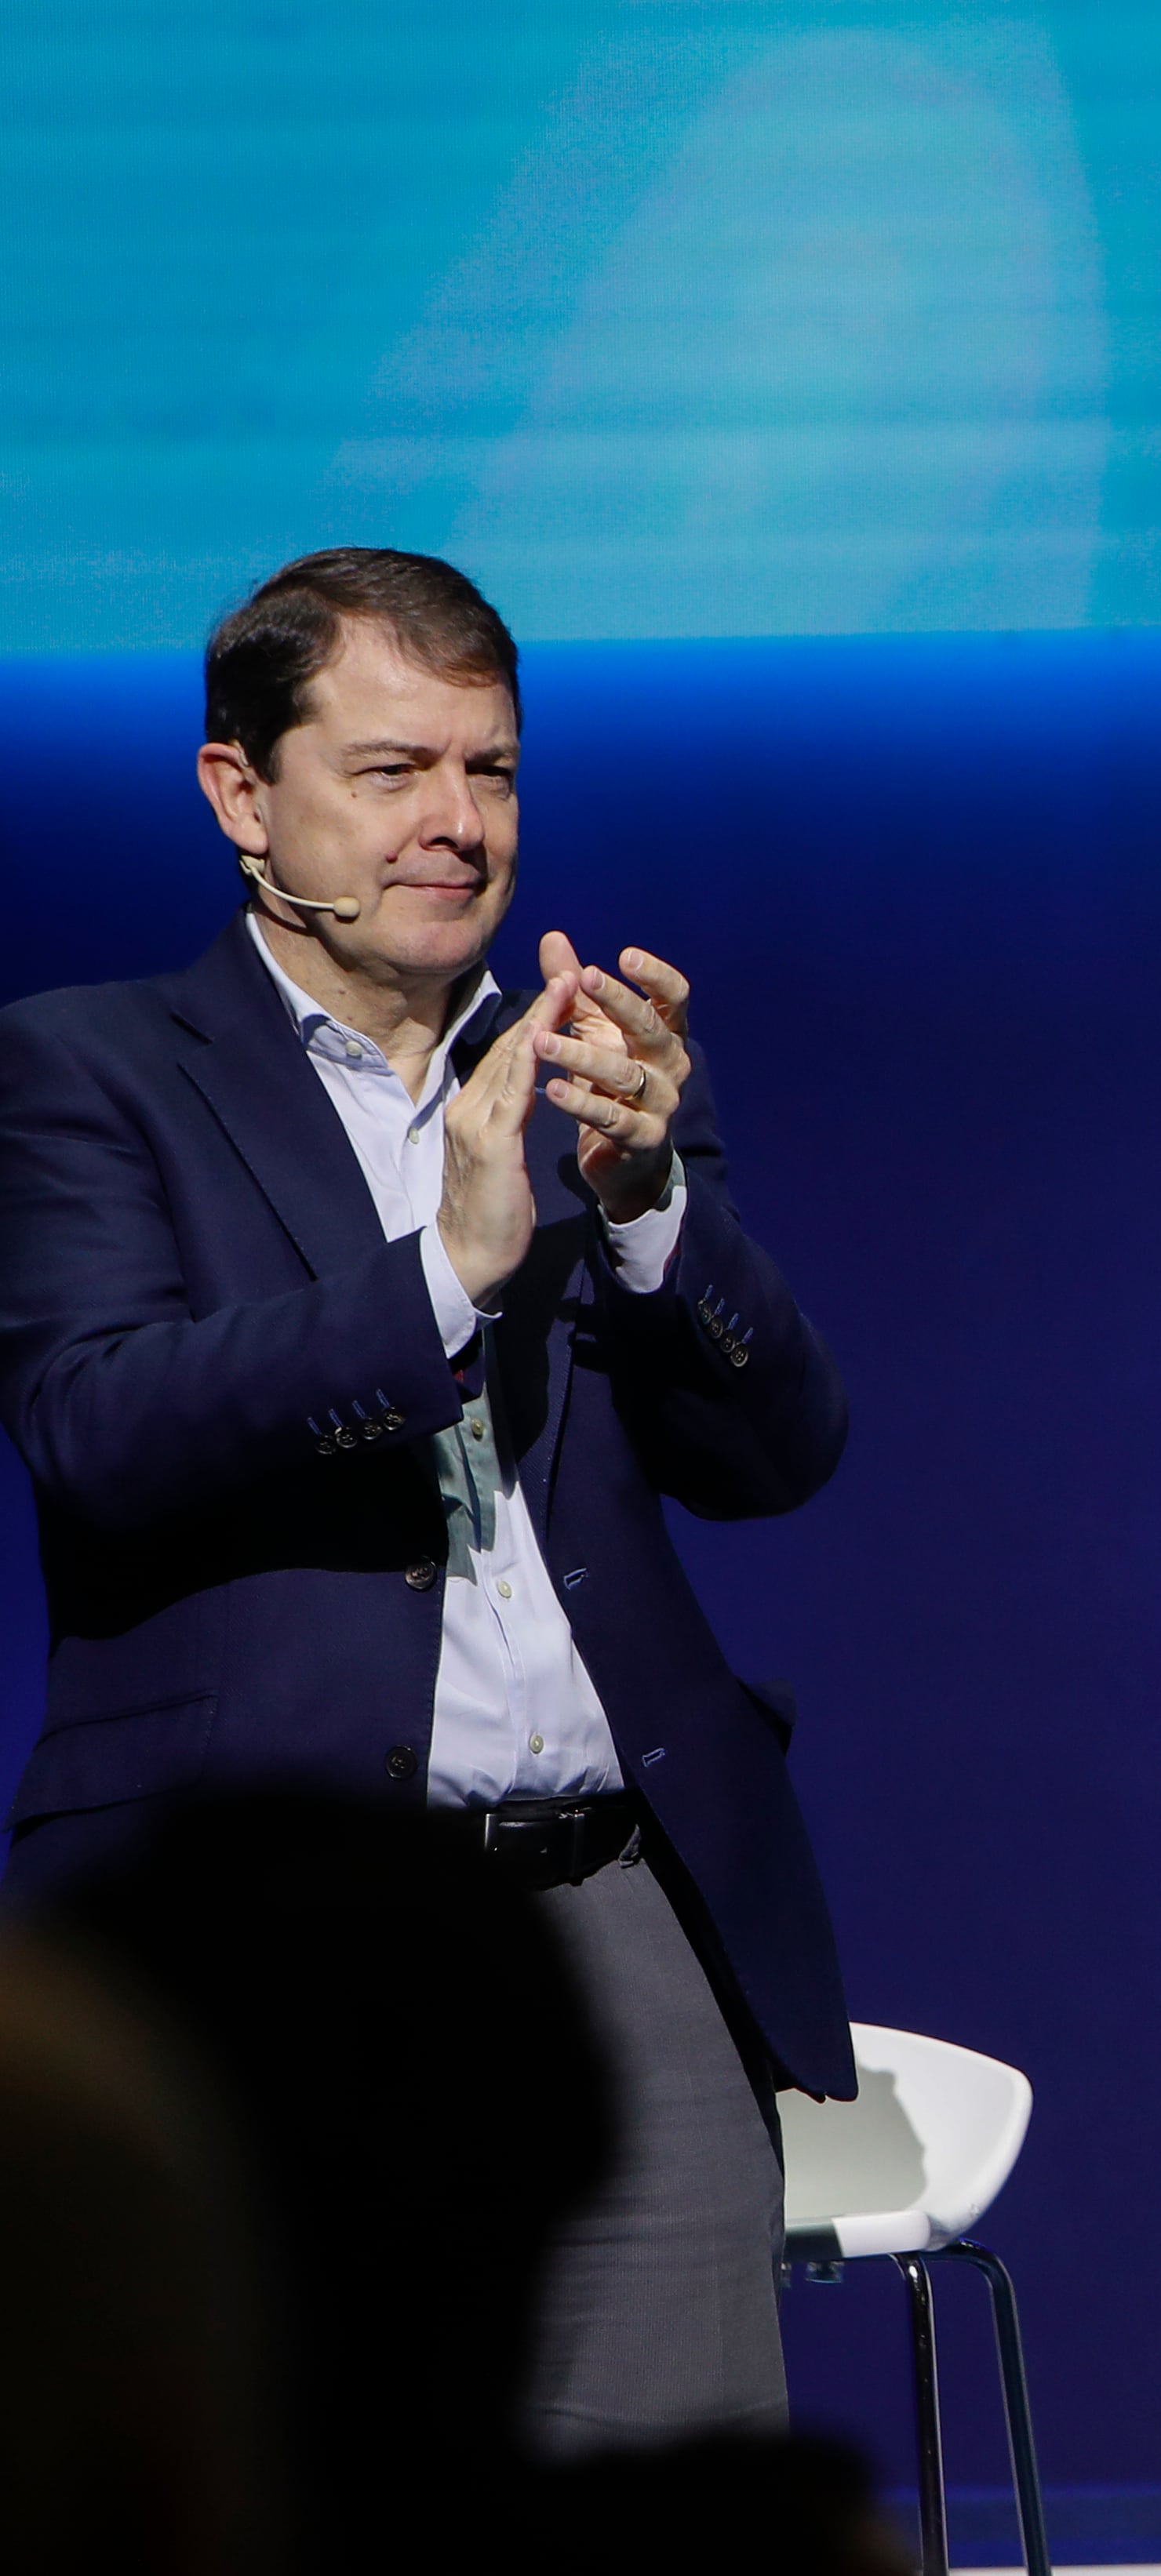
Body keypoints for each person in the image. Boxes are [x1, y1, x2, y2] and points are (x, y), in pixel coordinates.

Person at [0, 548, 857, 2457]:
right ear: (244, 795)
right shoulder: (90, 1069)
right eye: (394, 771)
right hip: (257, 1918)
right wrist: (438, 1286)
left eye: (493, 772)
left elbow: (780, 1455)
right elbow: (92, 1424)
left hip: (616, 1898)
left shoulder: (588, 1077)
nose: (458, 826)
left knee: (674, 2501)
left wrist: (645, 1207)